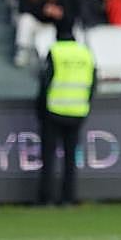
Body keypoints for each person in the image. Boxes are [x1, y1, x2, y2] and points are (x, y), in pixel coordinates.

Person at [37, 24, 95, 206]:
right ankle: (68, 197)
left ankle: (46, 198)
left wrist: (39, 107)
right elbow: (93, 83)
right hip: (78, 111)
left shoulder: (55, 51)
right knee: (70, 158)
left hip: (54, 110)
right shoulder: (86, 53)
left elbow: (46, 81)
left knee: (49, 156)